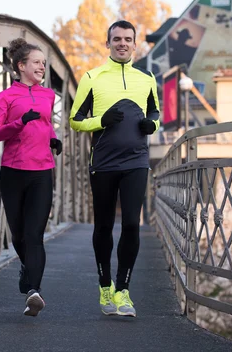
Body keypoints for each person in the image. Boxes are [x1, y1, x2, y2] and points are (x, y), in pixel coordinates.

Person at [69, 20, 159, 317]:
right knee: (104, 225)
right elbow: (75, 119)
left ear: (135, 44)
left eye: (128, 39)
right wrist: (101, 121)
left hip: (136, 161)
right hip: (104, 162)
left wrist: (152, 125)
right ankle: (104, 285)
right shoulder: (92, 78)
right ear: (107, 44)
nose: (122, 43)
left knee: (132, 223)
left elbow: (155, 112)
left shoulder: (146, 79)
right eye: (117, 39)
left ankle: (123, 291)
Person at [0, 38, 62, 317]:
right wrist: (20, 122)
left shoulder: (48, 95)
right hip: (14, 172)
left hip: (42, 171)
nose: (42, 66)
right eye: (37, 62)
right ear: (21, 66)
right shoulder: (6, 97)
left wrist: (53, 139)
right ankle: (26, 271)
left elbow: (45, 126)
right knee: (18, 235)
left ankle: (34, 292)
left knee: (34, 235)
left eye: (44, 62)